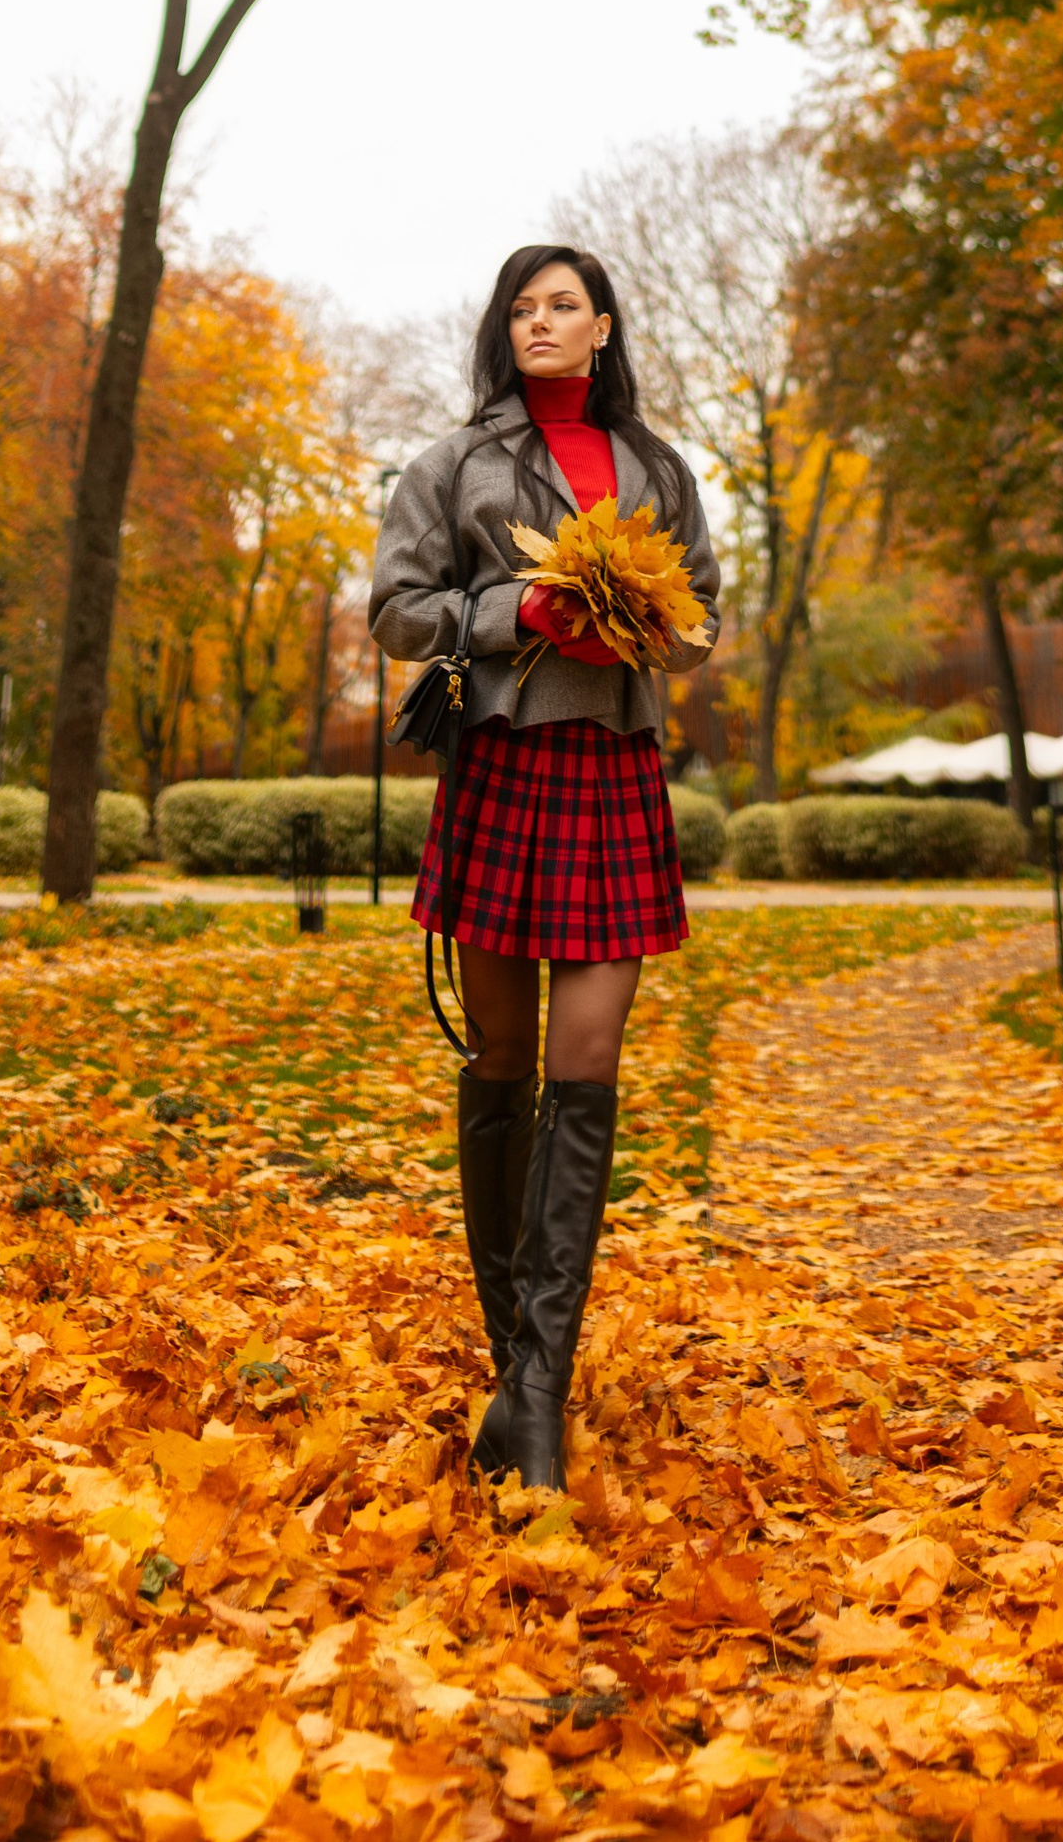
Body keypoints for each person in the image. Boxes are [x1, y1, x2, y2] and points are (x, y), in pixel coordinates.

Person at [371, 243, 719, 1492]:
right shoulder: (451, 464)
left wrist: (643, 616)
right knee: (504, 1061)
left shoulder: (659, 468)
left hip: (615, 775)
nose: (539, 320)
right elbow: (398, 609)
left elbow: (703, 623)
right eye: (520, 307)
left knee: (586, 1065)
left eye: (561, 304)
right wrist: (515, 610)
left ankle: (537, 1395)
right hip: (504, 771)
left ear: (605, 326)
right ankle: (517, 1372)